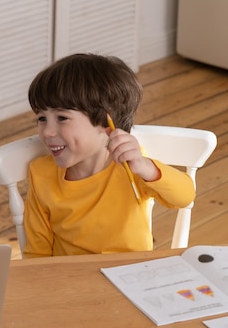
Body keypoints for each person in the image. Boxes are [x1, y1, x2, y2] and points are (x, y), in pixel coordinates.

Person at [22, 53, 195, 258]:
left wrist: (146, 167)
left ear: (106, 122)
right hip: (71, 278)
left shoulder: (131, 166)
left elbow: (184, 198)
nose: (47, 132)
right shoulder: (41, 173)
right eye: (42, 118)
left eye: (62, 117)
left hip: (130, 273)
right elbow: (37, 250)